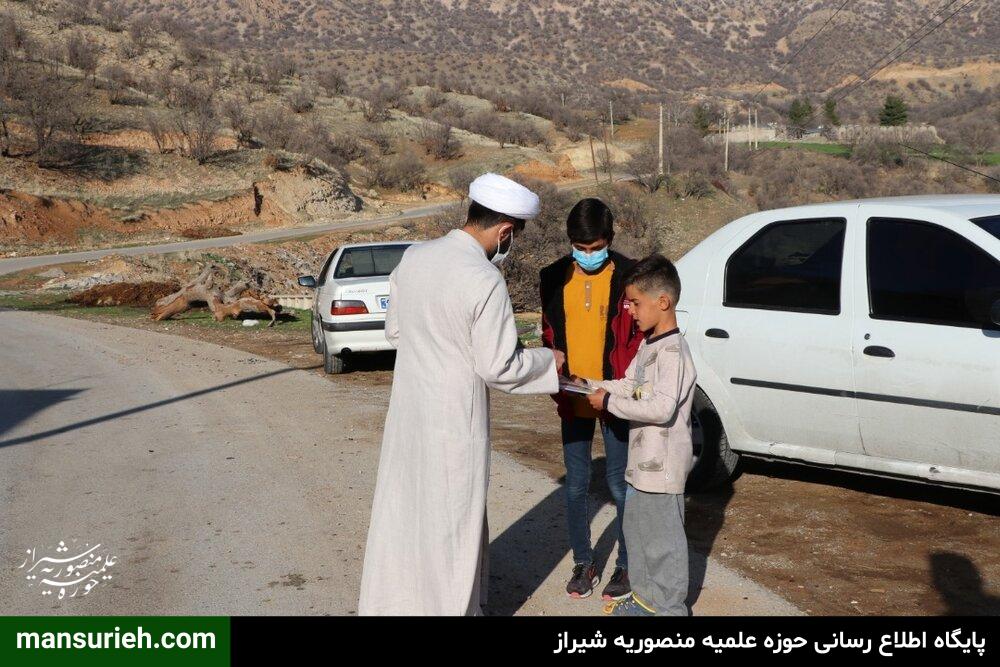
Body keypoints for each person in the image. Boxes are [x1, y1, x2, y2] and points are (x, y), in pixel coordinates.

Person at [358, 173, 565, 616]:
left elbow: (394, 330)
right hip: (454, 420)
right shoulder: (483, 278)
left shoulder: (415, 257)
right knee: (452, 521)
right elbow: (499, 368)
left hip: (410, 412)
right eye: (512, 239)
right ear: (506, 230)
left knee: (406, 514)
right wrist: (550, 362)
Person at [539, 198, 643, 601]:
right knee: (575, 485)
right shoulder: (551, 277)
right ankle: (584, 563)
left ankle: (626, 566)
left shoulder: (631, 275)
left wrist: (616, 389)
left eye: (594, 246)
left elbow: (637, 337)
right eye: (579, 248)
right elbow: (550, 332)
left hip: (613, 395)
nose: (587, 255)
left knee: (620, 483)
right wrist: (557, 376)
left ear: (609, 240)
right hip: (572, 395)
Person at [584, 254, 696, 616]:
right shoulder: (648, 345)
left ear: (662, 302)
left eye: (635, 302)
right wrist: (590, 386)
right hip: (640, 466)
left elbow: (662, 408)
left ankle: (670, 608)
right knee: (638, 533)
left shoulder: (674, 352)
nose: (629, 309)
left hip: (662, 470)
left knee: (664, 541)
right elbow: (630, 384)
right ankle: (646, 599)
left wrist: (610, 404)